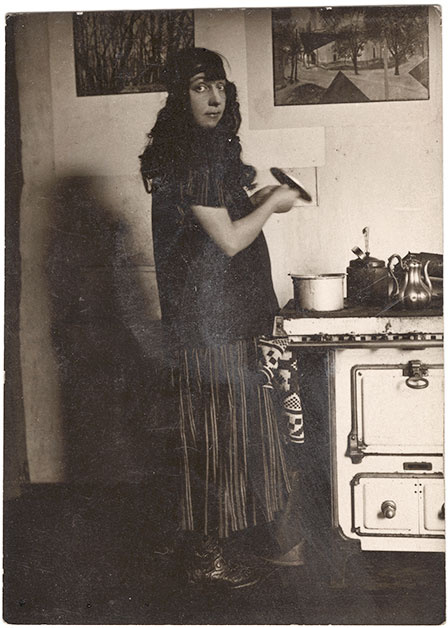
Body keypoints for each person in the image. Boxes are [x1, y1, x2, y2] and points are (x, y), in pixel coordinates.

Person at [139, 47, 300, 589]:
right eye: (199, 86)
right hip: (212, 324)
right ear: (178, 94)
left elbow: (216, 223)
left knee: (222, 437)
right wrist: (271, 203)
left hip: (220, 318)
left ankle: (213, 552)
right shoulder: (194, 155)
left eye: (220, 86)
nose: (214, 97)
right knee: (214, 440)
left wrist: (261, 197)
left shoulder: (197, 150)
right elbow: (229, 240)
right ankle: (207, 559)